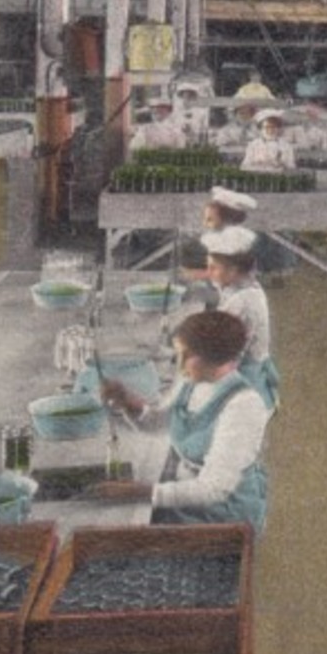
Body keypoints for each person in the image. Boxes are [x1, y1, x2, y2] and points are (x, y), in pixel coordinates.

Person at [91, 310, 271, 535]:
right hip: (191, 501)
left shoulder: (243, 405)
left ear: (214, 356)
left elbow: (213, 489)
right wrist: (128, 402)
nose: (180, 365)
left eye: (187, 356)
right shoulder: (191, 381)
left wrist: (136, 492)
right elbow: (159, 423)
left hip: (225, 516)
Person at [201, 226, 279, 409]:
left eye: (214, 267)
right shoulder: (248, 287)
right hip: (255, 369)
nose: (209, 272)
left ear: (233, 270)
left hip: (246, 381)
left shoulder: (241, 303)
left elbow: (228, 359)